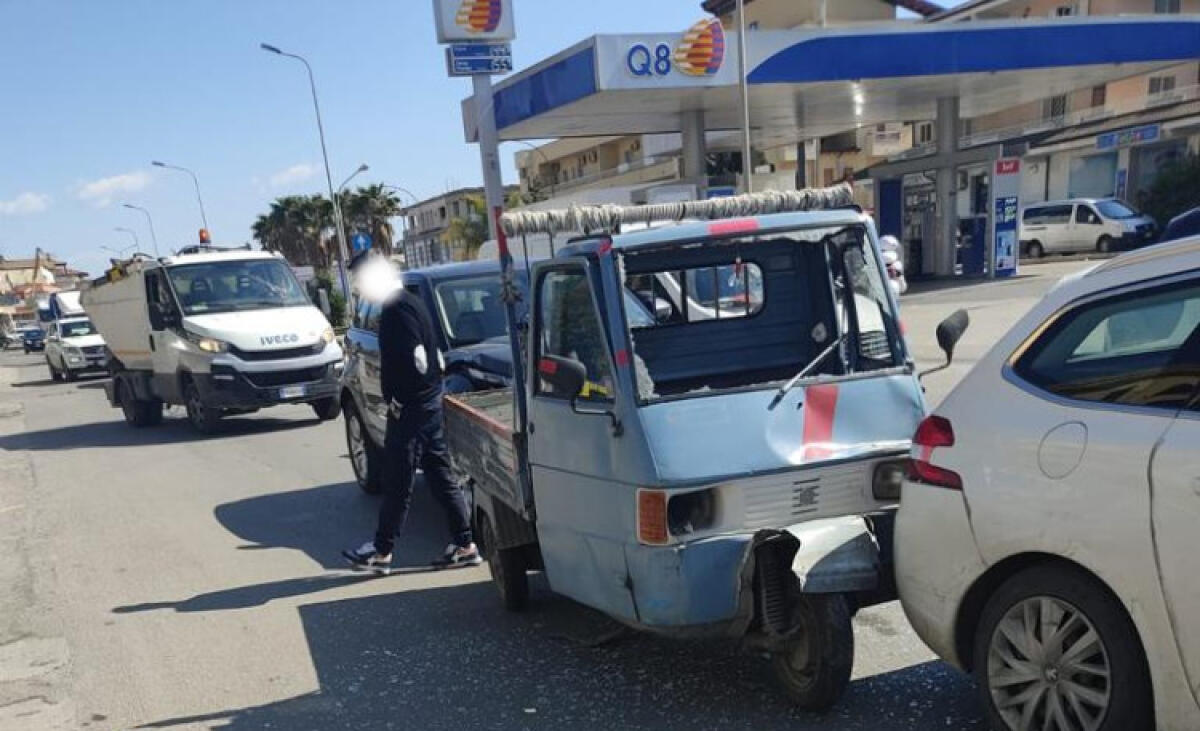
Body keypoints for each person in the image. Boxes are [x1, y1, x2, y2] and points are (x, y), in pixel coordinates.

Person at [343, 260, 480, 574]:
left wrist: (400, 403)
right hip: (427, 403)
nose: (361, 289)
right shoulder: (411, 303)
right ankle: (464, 544)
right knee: (439, 474)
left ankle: (381, 551)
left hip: (413, 409)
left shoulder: (397, 312)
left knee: (397, 478)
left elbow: (416, 361)